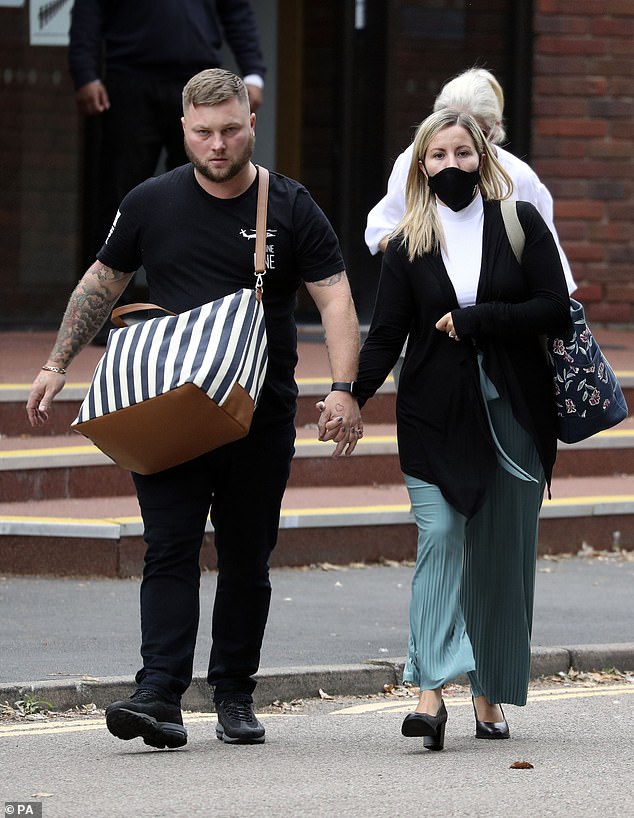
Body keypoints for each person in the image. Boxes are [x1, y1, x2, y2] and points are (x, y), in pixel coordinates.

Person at [26, 69, 362, 748]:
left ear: (250, 123)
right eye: (204, 132)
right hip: (167, 406)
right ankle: (159, 694)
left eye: (230, 129)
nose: (218, 143)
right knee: (169, 547)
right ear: (183, 129)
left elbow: (335, 298)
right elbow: (102, 281)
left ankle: (234, 691)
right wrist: (57, 363)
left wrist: (343, 387)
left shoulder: (291, 206)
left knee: (246, 556)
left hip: (257, 413)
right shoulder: (150, 201)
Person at [352, 109, 570, 751]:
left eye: (464, 154)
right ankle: (429, 696)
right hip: (433, 412)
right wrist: (350, 394)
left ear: (484, 159)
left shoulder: (520, 222)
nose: (453, 166)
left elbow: (554, 307)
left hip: (515, 410)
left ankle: (489, 694)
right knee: (442, 536)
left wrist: (476, 319)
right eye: (439, 156)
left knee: (499, 558)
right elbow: (387, 332)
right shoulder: (407, 242)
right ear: (421, 165)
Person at [69, 0, 267, 341]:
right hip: (128, 78)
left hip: (199, 83)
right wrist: (84, 72)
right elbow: (90, 10)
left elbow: (236, 10)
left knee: (206, 197)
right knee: (118, 198)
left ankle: (198, 309)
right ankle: (105, 316)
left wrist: (252, 72)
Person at [365, 67, 576, 295]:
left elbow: (552, 268)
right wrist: (425, 271)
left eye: (475, 134)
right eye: (447, 129)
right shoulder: (412, 162)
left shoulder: (519, 177)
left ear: (495, 130)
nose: (452, 163)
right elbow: (383, 229)